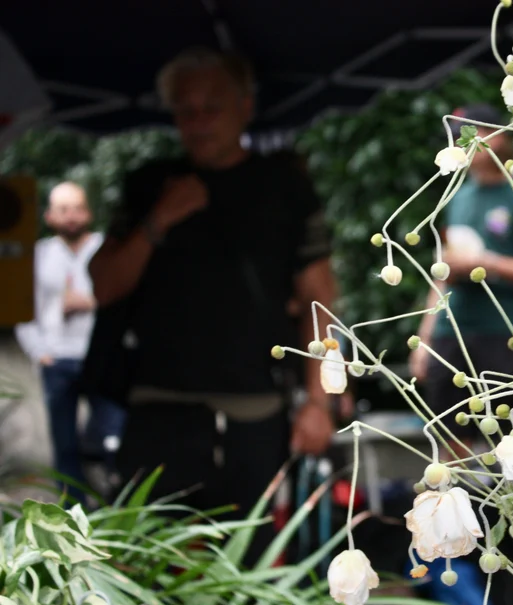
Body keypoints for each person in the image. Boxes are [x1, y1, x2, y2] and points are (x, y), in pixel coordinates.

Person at [87, 47, 336, 562]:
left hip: (252, 415)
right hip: (156, 409)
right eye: (185, 109)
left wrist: (320, 399)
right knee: (142, 566)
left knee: (251, 568)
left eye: (212, 106)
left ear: (245, 106)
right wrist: (159, 220)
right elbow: (105, 284)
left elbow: (319, 297)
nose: (197, 121)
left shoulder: (285, 186)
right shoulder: (151, 184)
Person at [408, 104, 513, 605]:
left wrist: (481, 264)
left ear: (501, 135)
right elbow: (441, 273)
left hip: (504, 341)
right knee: (449, 461)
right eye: (460, 133)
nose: (468, 141)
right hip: (451, 338)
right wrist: (423, 336)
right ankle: (460, 581)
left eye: (475, 132)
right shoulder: (455, 196)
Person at [15, 182, 125, 500]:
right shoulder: (38, 255)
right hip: (57, 359)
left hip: (101, 356)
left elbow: (121, 295)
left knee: (111, 437)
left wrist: (88, 301)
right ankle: (72, 518)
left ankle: (117, 509)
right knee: (65, 445)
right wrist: (39, 351)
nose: (71, 216)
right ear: (49, 216)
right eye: (63, 209)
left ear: (89, 212)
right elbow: (22, 305)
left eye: (77, 208)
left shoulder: (108, 250)